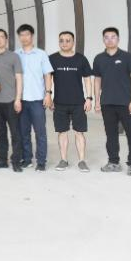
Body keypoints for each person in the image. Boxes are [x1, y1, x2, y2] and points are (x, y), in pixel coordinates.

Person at [93, 27, 131, 176]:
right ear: (103, 40)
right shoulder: (99, 58)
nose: (110, 40)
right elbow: (97, 80)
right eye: (106, 37)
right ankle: (113, 162)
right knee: (111, 135)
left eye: (113, 37)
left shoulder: (127, 57)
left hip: (126, 103)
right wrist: (97, 100)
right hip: (107, 103)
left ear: (118, 39)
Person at [49, 31, 93, 172]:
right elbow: (48, 79)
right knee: (62, 132)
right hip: (59, 103)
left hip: (78, 103)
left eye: (68, 40)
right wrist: (48, 96)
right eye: (61, 40)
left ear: (73, 42)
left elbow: (87, 79)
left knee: (79, 132)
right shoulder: (52, 59)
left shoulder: (81, 59)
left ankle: (82, 161)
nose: (64, 43)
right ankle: (63, 160)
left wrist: (89, 98)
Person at [15, 24, 53, 171]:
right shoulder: (16, 55)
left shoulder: (41, 54)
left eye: (27, 34)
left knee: (40, 132)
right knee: (23, 132)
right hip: (21, 100)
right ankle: (27, 159)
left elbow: (47, 75)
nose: (24, 38)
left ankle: (41, 161)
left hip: (37, 99)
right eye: (21, 35)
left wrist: (48, 94)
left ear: (32, 36)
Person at [0, 29, 24, 172]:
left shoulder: (14, 57)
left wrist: (18, 99)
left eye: (1, 37)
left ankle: (16, 161)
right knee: (0, 133)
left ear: (6, 40)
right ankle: (2, 160)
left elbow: (19, 79)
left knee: (15, 133)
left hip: (11, 101)